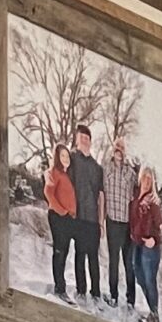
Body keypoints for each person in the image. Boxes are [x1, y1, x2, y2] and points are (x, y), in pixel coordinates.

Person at [68, 124, 105, 303]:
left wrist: (101, 222)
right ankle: (80, 290)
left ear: (90, 141)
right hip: (77, 216)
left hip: (93, 219)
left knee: (93, 258)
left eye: (87, 138)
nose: (84, 140)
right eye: (81, 137)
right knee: (79, 255)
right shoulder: (72, 159)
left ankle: (96, 293)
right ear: (77, 140)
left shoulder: (97, 168)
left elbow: (101, 195)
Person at [102, 133, 136, 306]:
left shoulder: (131, 173)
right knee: (113, 261)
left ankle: (131, 300)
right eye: (117, 147)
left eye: (122, 148)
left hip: (127, 224)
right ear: (113, 149)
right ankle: (113, 296)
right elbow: (101, 194)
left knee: (128, 263)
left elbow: (136, 197)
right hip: (112, 221)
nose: (119, 150)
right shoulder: (106, 169)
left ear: (125, 152)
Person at [129, 165, 162, 322]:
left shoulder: (153, 201)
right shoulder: (136, 197)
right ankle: (152, 310)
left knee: (150, 280)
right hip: (137, 242)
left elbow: (160, 225)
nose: (147, 181)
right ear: (140, 178)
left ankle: (154, 316)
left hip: (150, 245)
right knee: (139, 275)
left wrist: (154, 240)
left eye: (150, 179)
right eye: (145, 177)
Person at [43, 144, 76, 298]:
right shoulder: (53, 172)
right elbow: (48, 193)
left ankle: (61, 285)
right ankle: (60, 288)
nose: (65, 158)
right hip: (57, 217)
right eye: (62, 155)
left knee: (65, 251)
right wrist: (62, 211)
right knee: (59, 252)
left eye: (67, 156)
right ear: (57, 157)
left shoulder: (66, 175)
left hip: (68, 219)